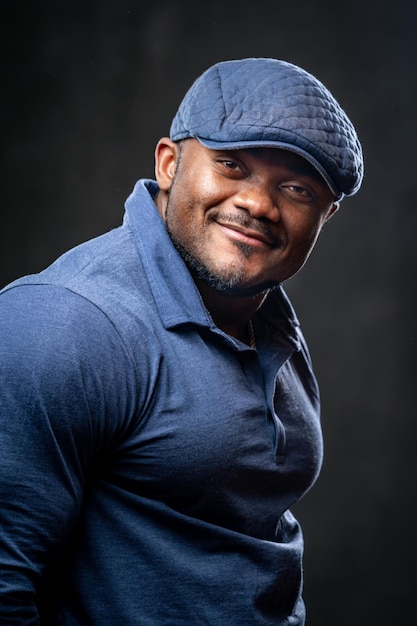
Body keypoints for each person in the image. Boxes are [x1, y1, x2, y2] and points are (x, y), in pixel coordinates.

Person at [0, 57, 363, 625]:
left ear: (326, 215)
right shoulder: (66, 323)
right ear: (169, 164)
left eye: (295, 188)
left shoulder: (265, 314)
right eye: (231, 165)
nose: (259, 205)